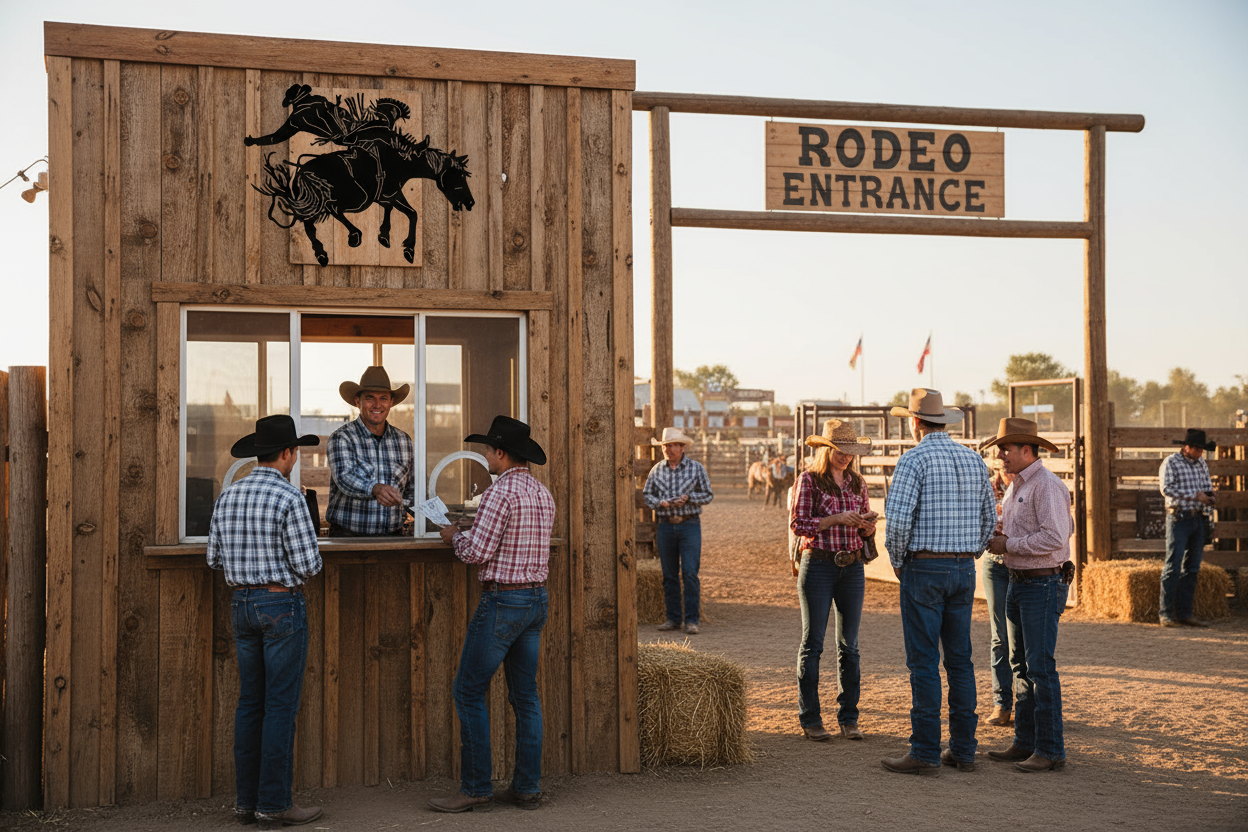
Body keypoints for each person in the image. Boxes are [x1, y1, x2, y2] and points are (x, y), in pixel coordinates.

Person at [429, 416, 556, 813]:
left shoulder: (499, 494)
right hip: (535, 598)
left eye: (488, 450)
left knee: (468, 690)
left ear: (501, 453)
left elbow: (476, 553)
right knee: (525, 697)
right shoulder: (541, 492)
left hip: (503, 601)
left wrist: (454, 535)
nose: (485, 457)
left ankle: (476, 787)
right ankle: (527, 787)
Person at [206, 415, 323, 829]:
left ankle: (245, 802)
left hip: (241, 605)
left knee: (250, 704)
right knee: (279, 707)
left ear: (258, 455)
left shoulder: (229, 495)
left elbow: (213, 559)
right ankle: (274, 804)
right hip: (280, 605)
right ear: (289, 454)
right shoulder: (289, 499)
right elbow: (309, 565)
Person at [881, 388, 995, 776]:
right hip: (963, 568)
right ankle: (964, 750)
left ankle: (925, 751)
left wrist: (897, 561)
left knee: (924, 662)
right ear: (943, 421)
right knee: (960, 661)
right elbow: (988, 519)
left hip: (924, 567)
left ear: (915, 423)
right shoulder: (973, 458)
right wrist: (972, 552)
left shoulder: (913, 460)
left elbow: (897, 521)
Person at [983, 418, 1075, 773]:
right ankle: (1026, 742)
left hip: (1040, 583)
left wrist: (1009, 544)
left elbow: (1055, 538)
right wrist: (1004, 537)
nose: (1001, 455)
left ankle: (1050, 748)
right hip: (1022, 581)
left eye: (1006, 449)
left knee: (1038, 667)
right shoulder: (1020, 486)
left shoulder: (1046, 485)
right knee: (1021, 664)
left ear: (1026, 450)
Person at [789, 420, 878, 742]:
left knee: (849, 646)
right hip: (820, 563)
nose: (846, 457)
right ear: (827, 450)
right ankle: (811, 718)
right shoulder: (809, 480)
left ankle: (849, 717)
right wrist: (835, 519)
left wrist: (867, 527)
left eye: (850, 452)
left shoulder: (858, 482)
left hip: (852, 565)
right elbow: (798, 524)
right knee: (813, 644)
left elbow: (865, 520)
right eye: (841, 451)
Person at [642, 427, 715, 634]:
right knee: (669, 575)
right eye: (665, 446)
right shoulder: (657, 470)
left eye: (672, 445)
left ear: (682, 447)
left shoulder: (696, 468)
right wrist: (660, 503)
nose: (668, 449)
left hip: (689, 524)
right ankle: (673, 619)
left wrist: (689, 498)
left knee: (690, 573)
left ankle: (691, 620)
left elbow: (708, 495)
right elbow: (648, 496)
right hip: (665, 525)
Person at [326, 366, 415, 536]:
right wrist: (375, 488)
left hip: (394, 537)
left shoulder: (404, 441)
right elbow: (345, 477)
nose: (377, 404)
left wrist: (435, 522)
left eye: (383, 398)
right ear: (358, 402)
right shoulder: (341, 438)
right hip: (348, 539)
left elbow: (412, 489)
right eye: (370, 398)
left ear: (391, 403)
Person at [1158, 428, 1217, 628]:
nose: (1201, 453)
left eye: (1202, 449)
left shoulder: (1201, 463)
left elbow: (1206, 486)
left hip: (1197, 518)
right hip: (1179, 517)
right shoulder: (1171, 462)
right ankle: (1165, 613)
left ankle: (1184, 613)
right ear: (1187, 447)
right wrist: (1196, 495)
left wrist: (1210, 497)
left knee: (1192, 568)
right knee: (1173, 565)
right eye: (1198, 449)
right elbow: (1166, 488)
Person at [982, 453, 1017, 727]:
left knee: (1022, 636)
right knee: (999, 635)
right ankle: (1002, 702)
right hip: (995, 563)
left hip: (1023, 563)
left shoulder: (1032, 485)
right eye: (1000, 458)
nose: (1004, 463)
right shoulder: (986, 486)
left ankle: (1027, 702)